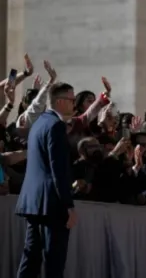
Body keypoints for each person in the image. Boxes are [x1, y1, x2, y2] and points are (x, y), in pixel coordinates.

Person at [15, 82, 78, 278]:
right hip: (52, 204)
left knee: (31, 260)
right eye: (71, 100)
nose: (74, 104)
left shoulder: (40, 123)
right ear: (60, 101)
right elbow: (57, 168)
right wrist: (68, 205)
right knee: (54, 261)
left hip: (34, 202)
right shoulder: (56, 126)